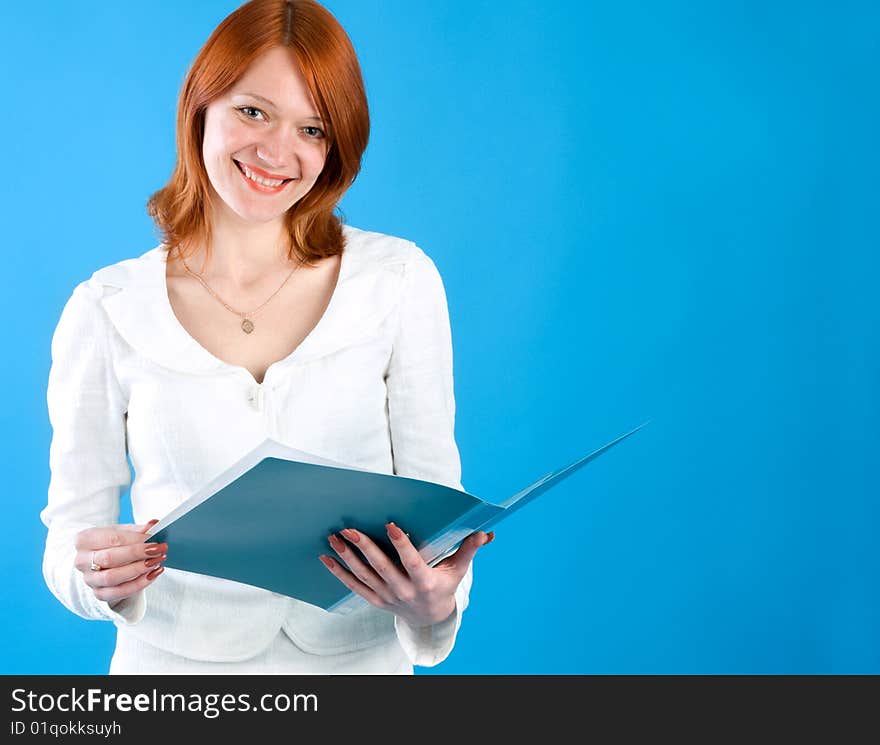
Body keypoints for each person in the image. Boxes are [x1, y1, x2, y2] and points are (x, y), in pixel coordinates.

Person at [40, 0, 492, 675]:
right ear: (201, 106)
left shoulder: (398, 281)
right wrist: (98, 579)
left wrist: (435, 608)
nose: (277, 152)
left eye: (312, 128)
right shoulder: (107, 307)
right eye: (253, 112)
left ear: (335, 148)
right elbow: (68, 545)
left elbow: (437, 519)